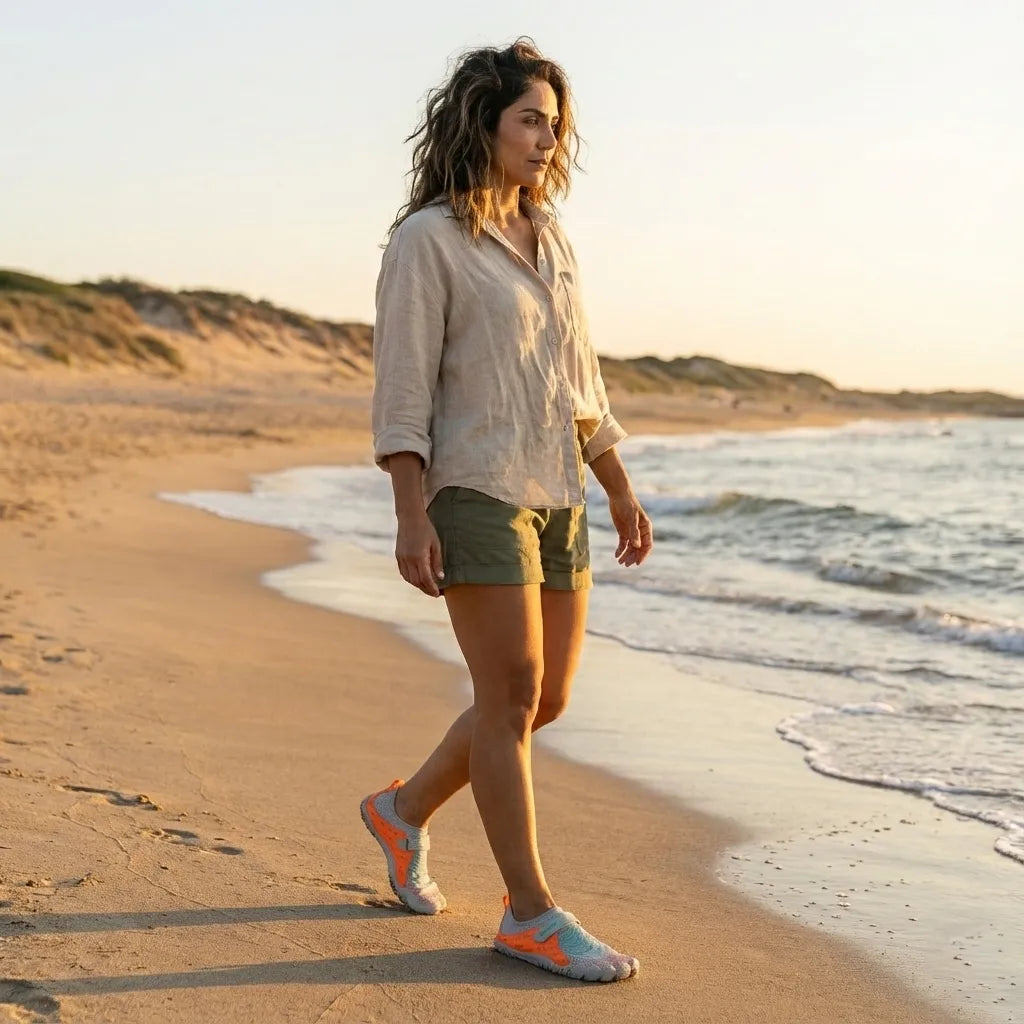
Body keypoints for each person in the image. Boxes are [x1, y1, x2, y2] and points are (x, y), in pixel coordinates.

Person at [361, 38, 653, 983]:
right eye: (529, 118)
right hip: (474, 484)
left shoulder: (552, 237)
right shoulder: (428, 241)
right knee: (512, 695)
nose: (544, 139)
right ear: (482, 121)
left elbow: (580, 376)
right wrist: (412, 512)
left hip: (557, 490)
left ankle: (400, 815)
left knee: (543, 700)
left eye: (554, 125)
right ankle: (529, 913)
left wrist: (617, 482)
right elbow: (403, 389)